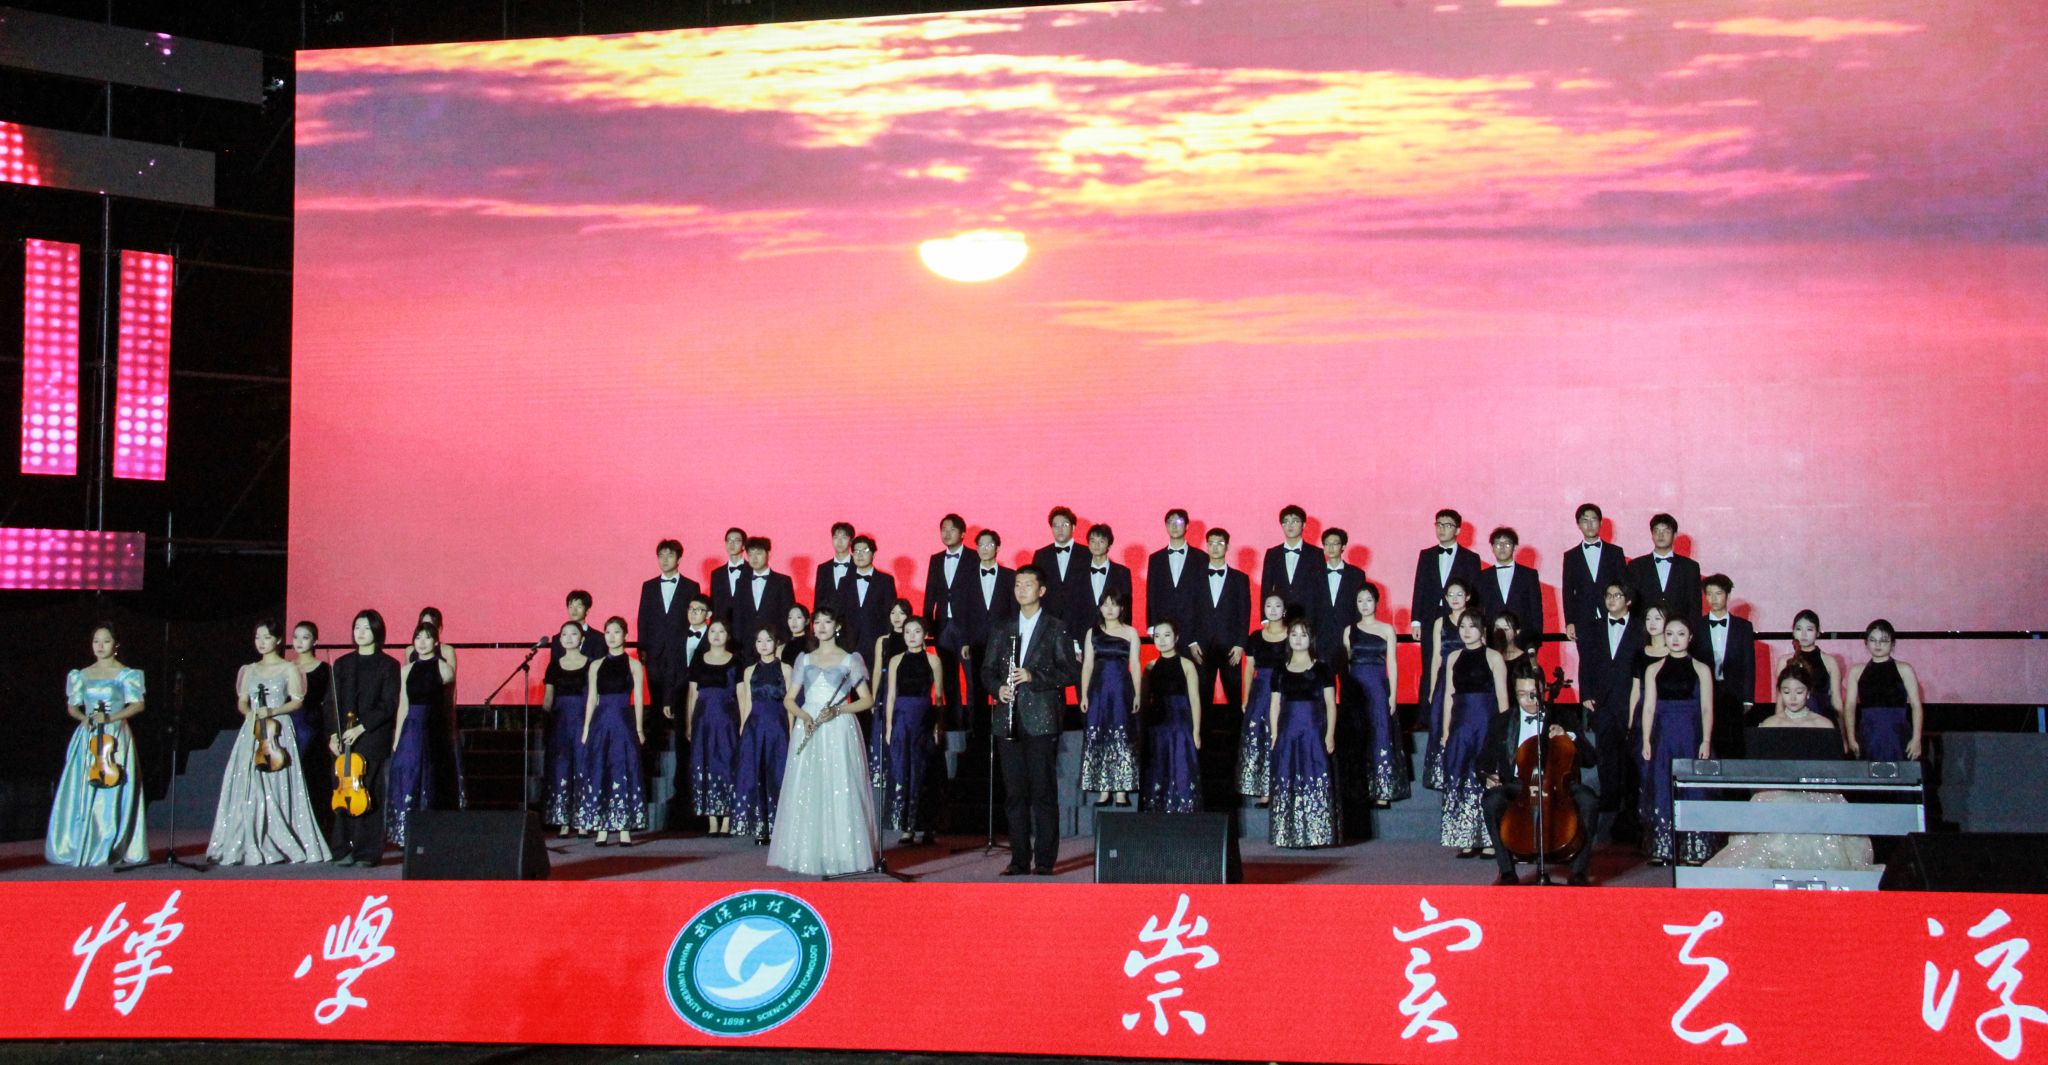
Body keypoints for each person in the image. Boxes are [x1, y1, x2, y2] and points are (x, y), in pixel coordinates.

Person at [1704, 665, 1873, 871]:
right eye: (1786, 692)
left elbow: (1834, 770)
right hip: (1776, 793)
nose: (1792, 698)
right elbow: (1759, 771)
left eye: (1799, 692)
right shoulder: (1769, 725)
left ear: (1808, 693)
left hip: (1817, 794)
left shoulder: (1824, 725)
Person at [208, 619, 332, 865]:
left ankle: (282, 840)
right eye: (258, 637)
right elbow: (242, 701)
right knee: (249, 783)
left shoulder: (289, 668)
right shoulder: (249, 669)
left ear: (278, 640)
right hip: (253, 730)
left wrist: (273, 711)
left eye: (266, 637)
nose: (261, 642)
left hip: (278, 729)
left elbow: (297, 701)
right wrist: (250, 713)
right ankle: (249, 839)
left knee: (278, 782)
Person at [981, 566, 1079, 874]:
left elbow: (1069, 672)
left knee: (1043, 792)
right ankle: (1019, 859)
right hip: (1007, 719)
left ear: (1042, 590)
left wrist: (1033, 676)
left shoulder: (1056, 627)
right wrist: (998, 688)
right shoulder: (1002, 627)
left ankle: (1045, 860)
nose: (1021, 589)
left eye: (1028, 584)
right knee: (1015, 794)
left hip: (1041, 719)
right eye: (1017, 584)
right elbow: (987, 670)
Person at [770, 607, 882, 876]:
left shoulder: (851, 660)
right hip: (810, 724)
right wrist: (803, 716)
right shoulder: (804, 659)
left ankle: (843, 853)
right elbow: (789, 699)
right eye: (817, 622)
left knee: (839, 786)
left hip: (839, 727)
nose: (821, 627)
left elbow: (867, 700)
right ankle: (810, 852)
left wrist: (839, 710)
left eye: (827, 622)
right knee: (810, 786)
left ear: (837, 626)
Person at [1480, 666, 1599, 886]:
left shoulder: (1563, 716)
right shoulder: (1503, 721)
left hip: (1558, 786)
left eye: (1533, 694)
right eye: (1521, 695)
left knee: (1588, 800)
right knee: (1491, 800)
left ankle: (1578, 872)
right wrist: (1487, 776)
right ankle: (1507, 871)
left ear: (1543, 689)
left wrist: (1569, 736)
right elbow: (1483, 762)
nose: (1528, 701)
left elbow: (1591, 759)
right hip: (1520, 786)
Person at [46, 624, 148, 867]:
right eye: (96, 641)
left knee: (113, 789)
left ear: (116, 644)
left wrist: (110, 718)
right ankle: (82, 842)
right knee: (82, 787)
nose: (100, 646)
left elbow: (138, 705)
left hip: (115, 735)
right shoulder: (81, 674)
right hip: (89, 736)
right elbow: (73, 707)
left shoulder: (126, 674)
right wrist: (85, 719)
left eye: (106, 641)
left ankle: (108, 843)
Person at [1640, 617, 1717, 866]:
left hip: (1691, 735)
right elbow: (1648, 707)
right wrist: (1645, 739)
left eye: (1681, 634)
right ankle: (1663, 848)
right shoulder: (1653, 669)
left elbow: (1707, 708)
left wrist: (1706, 740)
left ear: (1690, 637)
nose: (1675, 639)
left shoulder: (1701, 669)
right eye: (1670, 633)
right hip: (1662, 736)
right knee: (1662, 787)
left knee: (1694, 788)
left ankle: (1695, 848)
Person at [328, 610, 398, 867]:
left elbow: (388, 704)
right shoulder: (342, 664)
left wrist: (361, 728)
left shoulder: (388, 665)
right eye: (357, 627)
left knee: (368, 792)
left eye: (367, 628)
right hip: (343, 737)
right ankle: (342, 848)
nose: (360, 632)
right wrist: (333, 734)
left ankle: (367, 852)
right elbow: (332, 702)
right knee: (342, 790)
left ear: (377, 632)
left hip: (371, 737)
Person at [1577, 581, 1645, 836]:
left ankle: (1631, 807)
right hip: (1602, 701)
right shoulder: (1593, 628)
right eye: (1608, 595)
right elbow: (1586, 662)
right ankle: (1608, 802)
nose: (1611, 599)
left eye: (1617, 595)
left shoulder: (1640, 628)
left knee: (1630, 754)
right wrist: (1586, 694)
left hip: (1630, 700)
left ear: (1628, 601)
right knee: (1605, 752)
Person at [1439, 612, 1508, 858]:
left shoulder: (1493, 657)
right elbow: (1448, 696)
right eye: (1462, 626)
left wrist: (1503, 734)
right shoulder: (1453, 657)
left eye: (1472, 626)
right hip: (1460, 725)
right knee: (1460, 775)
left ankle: (1490, 839)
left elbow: (1503, 699)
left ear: (1483, 629)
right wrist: (1446, 730)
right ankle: (1466, 837)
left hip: (1486, 724)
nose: (1467, 631)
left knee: (1485, 777)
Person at [577, 617, 647, 846]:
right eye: (608, 632)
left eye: (616, 632)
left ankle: (624, 827)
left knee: (623, 770)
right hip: (600, 723)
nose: (612, 636)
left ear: (626, 635)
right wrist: (586, 729)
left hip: (623, 723)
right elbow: (591, 699)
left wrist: (639, 728)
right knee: (600, 770)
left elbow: (638, 699)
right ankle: (602, 827)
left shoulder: (634, 665)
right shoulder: (596, 665)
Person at [1269, 620, 1339, 848]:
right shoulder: (1279, 670)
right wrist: (1274, 734)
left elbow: (1331, 704)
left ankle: (1317, 834)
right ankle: (1287, 834)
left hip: (1313, 732)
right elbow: (1275, 705)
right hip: (1287, 733)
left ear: (1311, 639)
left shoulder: (1322, 669)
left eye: (1303, 635)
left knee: (1314, 776)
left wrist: (1329, 734)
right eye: (1294, 634)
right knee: (1287, 777)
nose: (1298, 639)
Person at [388, 621, 453, 847]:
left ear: (436, 642)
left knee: (430, 775)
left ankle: (429, 830)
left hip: (433, 726)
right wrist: (397, 737)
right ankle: (404, 830)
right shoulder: (406, 670)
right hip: (412, 726)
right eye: (418, 638)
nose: (422, 642)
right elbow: (403, 706)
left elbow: (447, 705)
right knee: (406, 771)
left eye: (427, 637)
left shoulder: (444, 669)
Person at [1345, 583, 1408, 806]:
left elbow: (1393, 663)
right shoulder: (1349, 630)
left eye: (1368, 600)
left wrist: (1393, 695)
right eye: (1360, 600)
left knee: (1380, 733)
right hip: (1356, 689)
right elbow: (1346, 664)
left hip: (1379, 689)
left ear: (1377, 602)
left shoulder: (1387, 629)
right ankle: (1361, 790)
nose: (1364, 605)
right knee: (1359, 737)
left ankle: (1382, 792)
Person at [1188, 527, 1251, 743]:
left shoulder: (1240, 579)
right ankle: (1201, 743)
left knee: (1234, 697)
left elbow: (1244, 613)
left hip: (1230, 648)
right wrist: (1192, 641)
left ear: (1228, 546)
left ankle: (1238, 745)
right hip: (1202, 648)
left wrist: (1241, 644)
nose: (1215, 547)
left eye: (1220, 543)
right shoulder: (1195, 578)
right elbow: (1190, 611)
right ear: (1207, 546)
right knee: (1202, 696)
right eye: (1211, 543)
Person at [1080, 589, 1142, 808]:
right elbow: (1088, 664)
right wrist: (1083, 694)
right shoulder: (1092, 632)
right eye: (1105, 604)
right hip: (1098, 690)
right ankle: (1103, 789)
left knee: (1122, 734)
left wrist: (1138, 693)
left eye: (1114, 604)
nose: (1109, 609)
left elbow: (1135, 665)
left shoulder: (1131, 632)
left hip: (1121, 690)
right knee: (1100, 733)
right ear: (1100, 607)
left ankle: (1121, 791)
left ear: (1121, 608)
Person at [950, 529, 1015, 733]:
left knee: (1004, 688)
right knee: (976, 689)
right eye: (981, 545)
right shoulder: (966, 578)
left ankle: (1004, 733)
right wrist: (964, 641)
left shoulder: (1009, 576)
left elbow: (1014, 611)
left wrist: (1014, 639)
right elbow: (961, 612)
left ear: (998, 548)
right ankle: (978, 736)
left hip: (1003, 643)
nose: (985, 549)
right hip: (976, 643)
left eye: (989, 545)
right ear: (976, 548)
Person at [733, 625, 794, 845]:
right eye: (759, 641)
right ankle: (760, 827)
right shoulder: (749, 670)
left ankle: (779, 828)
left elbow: (790, 705)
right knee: (756, 775)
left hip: (778, 727)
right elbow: (747, 704)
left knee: (777, 774)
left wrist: (790, 730)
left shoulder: (786, 669)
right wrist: (743, 728)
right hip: (755, 727)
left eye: (768, 640)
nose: (763, 645)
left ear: (776, 643)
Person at [885, 616, 943, 845]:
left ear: (925, 634)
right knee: (903, 770)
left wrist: (938, 726)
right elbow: (891, 695)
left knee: (924, 772)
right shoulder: (896, 660)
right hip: (901, 720)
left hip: (923, 719)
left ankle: (927, 826)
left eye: (916, 631)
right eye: (907, 631)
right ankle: (906, 828)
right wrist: (889, 726)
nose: (911, 636)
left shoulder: (933, 660)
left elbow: (938, 697)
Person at [638, 538, 702, 729]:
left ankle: (682, 744)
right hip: (655, 653)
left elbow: (695, 619)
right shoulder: (648, 586)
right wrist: (643, 649)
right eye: (661, 556)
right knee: (656, 703)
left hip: (681, 652)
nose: (665, 560)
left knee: (681, 702)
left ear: (679, 559)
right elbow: (643, 618)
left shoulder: (691, 586)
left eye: (670, 555)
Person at [1142, 620, 1203, 815]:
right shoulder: (1150, 667)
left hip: (1181, 725)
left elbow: (1194, 699)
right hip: (1158, 726)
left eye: (1166, 635)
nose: (1161, 640)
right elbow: (1144, 701)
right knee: (1159, 767)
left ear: (1176, 638)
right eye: (1157, 636)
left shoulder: (1187, 665)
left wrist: (1196, 731)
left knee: (1182, 766)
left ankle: (1185, 812)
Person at [686, 620, 741, 837]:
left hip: (727, 719)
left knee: (726, 763)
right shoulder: (698, 659)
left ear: (728, 635)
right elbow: (692, 693)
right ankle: (711, 819)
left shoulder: (735, 660)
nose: (716, 635)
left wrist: (743, 722)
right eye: (712, 631)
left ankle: (727, 818)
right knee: (705, 763)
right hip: (703, 720)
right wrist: (690, 722)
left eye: (721, 631)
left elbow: (741, 694)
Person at [1422, 577, 1477, 789]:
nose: (1455, 599)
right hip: (1444, 681)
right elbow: (1436, 658)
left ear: (1467, 597)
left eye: (1459, 594)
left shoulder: (1475, 620)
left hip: (1467, 681)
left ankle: (1466, 771)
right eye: (1450, 595)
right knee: (1440, 724)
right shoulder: (1440, 622)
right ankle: (1443, 774)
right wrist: (1432, 688)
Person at [541, 619, 593, 836]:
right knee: (561, 768)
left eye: (573, 634)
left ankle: (583, 820)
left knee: (583, 766)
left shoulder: (591, 664)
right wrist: (545, 719)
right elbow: (548, 698)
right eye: (564, 634)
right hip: (560, 722)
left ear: (582, 639)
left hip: (582, 719)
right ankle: (563, 820)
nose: (569, 638)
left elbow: (593, 696)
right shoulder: (554, 666)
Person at [1238, 594, 1292, 805]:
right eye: (1269, 605)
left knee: (1280, 736)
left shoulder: (1292, 635)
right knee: (1259, 737)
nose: (1273, 609)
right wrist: (1246, 696)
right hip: (1260, 693)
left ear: (1284, 610)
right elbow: (1249, 668)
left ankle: (1283, 787)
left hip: (1284, 691)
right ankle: (1263, 790)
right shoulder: (1255, 637)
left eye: (1278, 605)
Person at [1845, 619, 1924, 761]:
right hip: (1868, 732)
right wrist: (1851, 738)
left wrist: (1916, 739)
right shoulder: (1856, 671)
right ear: (1866, 643)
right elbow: (1850, 706)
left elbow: (1916, 705)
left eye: (1884, 640)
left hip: (1897, 732)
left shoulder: (1904, 669)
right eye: (1873, 640)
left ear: (1893, 643)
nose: (1878, 645)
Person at [412, 606, 464, 810]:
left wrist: (450, 715)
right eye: (423, 623)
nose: (427, 627)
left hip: (439, 712)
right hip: (415, 714)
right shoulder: (409, 651)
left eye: (432, 624)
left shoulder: (447, 651)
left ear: (439, 628)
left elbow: (451, 688)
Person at [1696, 574, 1757, 749]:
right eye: (1709, 594)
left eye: (1718, 593)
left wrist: (1748, 698)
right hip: (1705, 691)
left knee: (1733, 741)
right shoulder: (1697, 626)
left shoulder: (1743, 627)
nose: (1713, 598)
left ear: (1728, 595)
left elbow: (1749, 664)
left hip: (1734, 693)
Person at [923, 513, 970, 727]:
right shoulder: (936, 559)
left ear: (963, 533)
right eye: (944, 529)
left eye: (952, 529)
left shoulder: (973, 557)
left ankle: (972, 727)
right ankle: (954, 725)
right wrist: (927, 623)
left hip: (966, 627)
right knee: (949, 679)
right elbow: (930, 593)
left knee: (971, 678)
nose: (947, 533)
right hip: (943, 625)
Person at [1410, 508, 1482, 646]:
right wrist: (1415, 621)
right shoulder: (1426, 555)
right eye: (1439, 524)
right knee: (1430, 655)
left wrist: (1474, 621)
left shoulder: (1471, 558)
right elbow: (1419, 588)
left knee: (1458, 653)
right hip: (1429, 616)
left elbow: (1475, 593)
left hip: (1459, 617)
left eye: (1447, 525)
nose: (1442, 529)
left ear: (1458, 530)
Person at [868, 597, 914, 794]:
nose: (897, 617)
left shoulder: (912, 639)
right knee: (881, 732)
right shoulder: (883, 640)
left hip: (905, 691)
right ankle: (881, 779)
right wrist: (873, 696)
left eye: (901, 613)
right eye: (893, 613)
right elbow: (877, 670)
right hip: (885, 691)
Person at [728, 537, 797, 665]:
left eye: (758, 553)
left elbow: (787, 614)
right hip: (747, 647)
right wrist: (737, 646)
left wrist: (783, 643)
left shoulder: (782, 581)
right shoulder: (741, 582)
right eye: (750, 554)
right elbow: (738, 616)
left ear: (768, 554)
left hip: (774, 645)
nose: (754, 558)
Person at [1561, 503, 1624, 645]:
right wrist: (1570, 621)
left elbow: (1623, 586)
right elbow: (1568, 592)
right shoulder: (1571, 556)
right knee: (1587, 657)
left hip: (1613, 616)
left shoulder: (1615, 553)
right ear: (1578, 525)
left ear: (1600, 523)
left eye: (1593, 519)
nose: (1589, 525)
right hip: (1583, 621)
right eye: (1585, 520)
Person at [1625, 513, 1701, 627]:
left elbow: (1695, 607)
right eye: (1657, 531)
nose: (1661, 535)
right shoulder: (1636, 566)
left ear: (1675, 535)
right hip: (1645, 630)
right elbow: (1631, 604)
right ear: (1652, 535)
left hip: (1679, 631)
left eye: (1666, 531)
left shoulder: (1690, 567)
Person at [841, 535, 898, 679]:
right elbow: (840, 614)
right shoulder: (844, 582)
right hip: (849, 644)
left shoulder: (885, 581)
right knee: (851, 684)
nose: (860, 555)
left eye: (865, 551)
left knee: (875, 682)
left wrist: (888, 640)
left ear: (874, 553)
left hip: (876, 642)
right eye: (856, 551)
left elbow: (890, 612)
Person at [1477, 527, 1542, 652]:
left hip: (1523, 640)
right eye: (1498, 544)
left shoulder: (1529, 575)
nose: (1502, 548)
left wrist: (1535, 641)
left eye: (1507, 544)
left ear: (1515, 547)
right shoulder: (1482, 576)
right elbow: (1479, 610)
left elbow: (1536, 610)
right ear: (1492, 547)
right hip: (1492, 640)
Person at [289, 620, 331, 810]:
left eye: (305, 637)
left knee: (313, 774)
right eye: (295, 637)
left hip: (314, 727)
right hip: (289, 724)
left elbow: (328, 702)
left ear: (315, 641)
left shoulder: (324, 669)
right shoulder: (286, 667)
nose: (299, 642)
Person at [1145, 508, 1203, 646]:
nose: (1174, 526)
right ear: (1166, 526)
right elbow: (1151, 593)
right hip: (1164, 626)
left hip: (1193, 627)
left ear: (1187, 526)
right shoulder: (1156, 558)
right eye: (1170, 522)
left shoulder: (1201, 558)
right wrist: (1152, 625)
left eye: (1179, 522)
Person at [1308, 528, 1365, 666]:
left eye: (1335, 543)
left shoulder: (1356, 574)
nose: (1331, 547)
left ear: (1343, 546)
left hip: (1347, 638)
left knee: (1348, 677)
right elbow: (1310, 608)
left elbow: (1358, 609)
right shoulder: (1314, 574)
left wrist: (1356, 637)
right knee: (1323, 678)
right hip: (1321, 640)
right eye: (1327, 544)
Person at [1031, 506, 1091, 629]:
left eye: (1064, 525)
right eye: (1056, 526)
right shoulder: (1041, 555)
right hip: (1049, 621)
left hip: (1081, 620)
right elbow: (1035, 586)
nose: (1060, 529)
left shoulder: (1088, 554)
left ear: (1073, 527)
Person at [1260, 504, 1318, 616]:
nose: (1289, 525)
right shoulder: (1272, 554)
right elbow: (1266, 587)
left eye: (1295, 521)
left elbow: (1320, 589)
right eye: (1285, 521)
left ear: (1303, 524)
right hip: (1280, 616)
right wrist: (1265, 618)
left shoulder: (1316, 553)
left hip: (1308, 616)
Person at [1788, 609, 1844, 723]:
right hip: (1793, 722)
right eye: (1799, 629)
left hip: (1822, 720)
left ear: (1818, 633)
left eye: (1809, 629)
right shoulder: (1786, 661)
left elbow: (1836, 700)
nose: (1803, 634)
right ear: (1793, 631)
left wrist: (1842, 732)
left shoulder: (1829, 661)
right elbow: (1780, 700)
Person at [1082, 523, 1134, 632]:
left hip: (1113, 633)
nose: (1096, 545)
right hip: (1083, 631)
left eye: (1101, 541)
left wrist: (1125, 633)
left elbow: (1127, 607)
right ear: (1088, 544)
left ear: (1109, 545)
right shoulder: (1078, 572)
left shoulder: (1122, 573)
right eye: (1093, 541)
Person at [813, 520, 857, 614]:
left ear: (851, 541)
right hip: (829, 620)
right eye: (836, 537)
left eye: (844, 537)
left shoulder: (858, 566)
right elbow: (818, 599)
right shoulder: (823, 568)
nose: (839, 541)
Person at [709, 526, 749, 627]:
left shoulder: (753, 571)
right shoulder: (716, 574)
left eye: (736, 541)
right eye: (729, 540)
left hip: (747, 626)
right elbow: (714, 605)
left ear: (744, 545)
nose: (732, 544)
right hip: (723, 628)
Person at [549, 589, 600, 667]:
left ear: (587, 610)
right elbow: (554, 668)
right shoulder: (557, 639)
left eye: (579, 606)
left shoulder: (599, 638)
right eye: (571, 606)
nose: (574, 610)